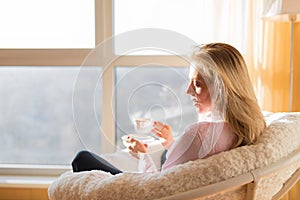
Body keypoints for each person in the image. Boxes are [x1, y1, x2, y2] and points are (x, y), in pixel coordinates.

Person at [71, 43, 266, 174]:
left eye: (197, 84)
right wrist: (171, 143)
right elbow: (189, 165)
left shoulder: (200, 133)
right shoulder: (245, 125)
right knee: (164, 154)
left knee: (83, 159)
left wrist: (142, 154)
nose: (188, 91)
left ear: (223, 87)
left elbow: (159, 185)